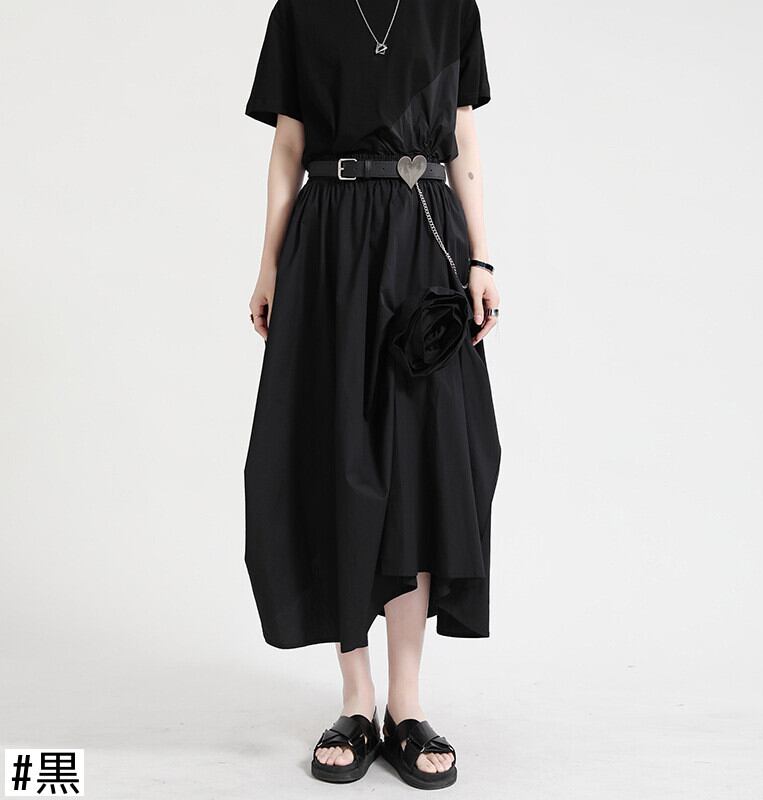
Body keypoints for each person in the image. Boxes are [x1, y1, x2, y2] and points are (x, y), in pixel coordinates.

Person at [243, 0, 501, 788]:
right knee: (340, 459)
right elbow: (289, 146)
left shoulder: (450, 8)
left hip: (424, 241)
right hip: (330, 243)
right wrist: (270, 266)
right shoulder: (300, 11)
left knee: (422, 467)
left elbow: (461, 138)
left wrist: (482, 257)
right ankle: (357, 702)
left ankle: (406, 707)